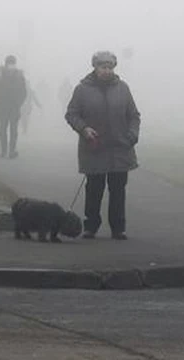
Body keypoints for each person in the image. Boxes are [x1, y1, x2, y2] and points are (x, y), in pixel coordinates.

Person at [64, 50, 141, 240]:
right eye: (102, 67)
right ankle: (91, 226)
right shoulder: (82, 89)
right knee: (94, 189)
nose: (106, 71)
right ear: (95, 67)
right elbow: (71, 114)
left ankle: (118, 228)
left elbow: (134, 116)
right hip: (94, 147)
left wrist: (132, 136)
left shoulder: (123, 88)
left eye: (110, 67)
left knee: (117, 190)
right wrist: (84, 129)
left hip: (120, 148)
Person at [0, 55, 28, 159]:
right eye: (10, 63)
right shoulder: (2, 77)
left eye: (12, 63)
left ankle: (8, 151)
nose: (11, 66)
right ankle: (6, 151)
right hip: (7, 107)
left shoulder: (14, 77)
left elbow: (23, 92)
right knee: (6, 130)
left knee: (10, 130)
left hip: (10, 107)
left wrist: (18, 103)